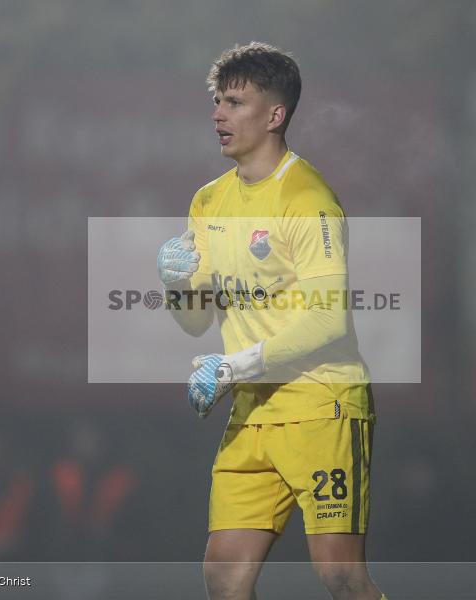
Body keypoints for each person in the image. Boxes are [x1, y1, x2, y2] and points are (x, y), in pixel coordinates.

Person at [157, 42, 386, 600]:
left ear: (275, 115)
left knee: (339, 574)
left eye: (235, 102)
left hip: (321, 407)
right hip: (253, 410)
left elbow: (328, 323)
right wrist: (176, 286)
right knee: (224, 574)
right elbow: (195, 323)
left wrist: (232, 365)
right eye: (217, 101)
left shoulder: (307, 198)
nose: (218, 114)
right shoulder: (209, 202)